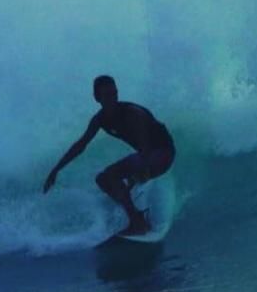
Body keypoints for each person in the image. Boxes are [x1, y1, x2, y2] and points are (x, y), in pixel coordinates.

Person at [43, 75, 175, 235]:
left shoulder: (133, 114)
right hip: (145, 155)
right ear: (97, 98)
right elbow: (80, 145)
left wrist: (140, 173)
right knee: (103, 179)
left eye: (114, 94)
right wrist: (56, 170)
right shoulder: (99, 120)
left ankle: (137, 222)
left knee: (114, 176)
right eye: (107, 96)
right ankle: (135, 213)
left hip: (163, 153)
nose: (112, 99)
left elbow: (145, 147)